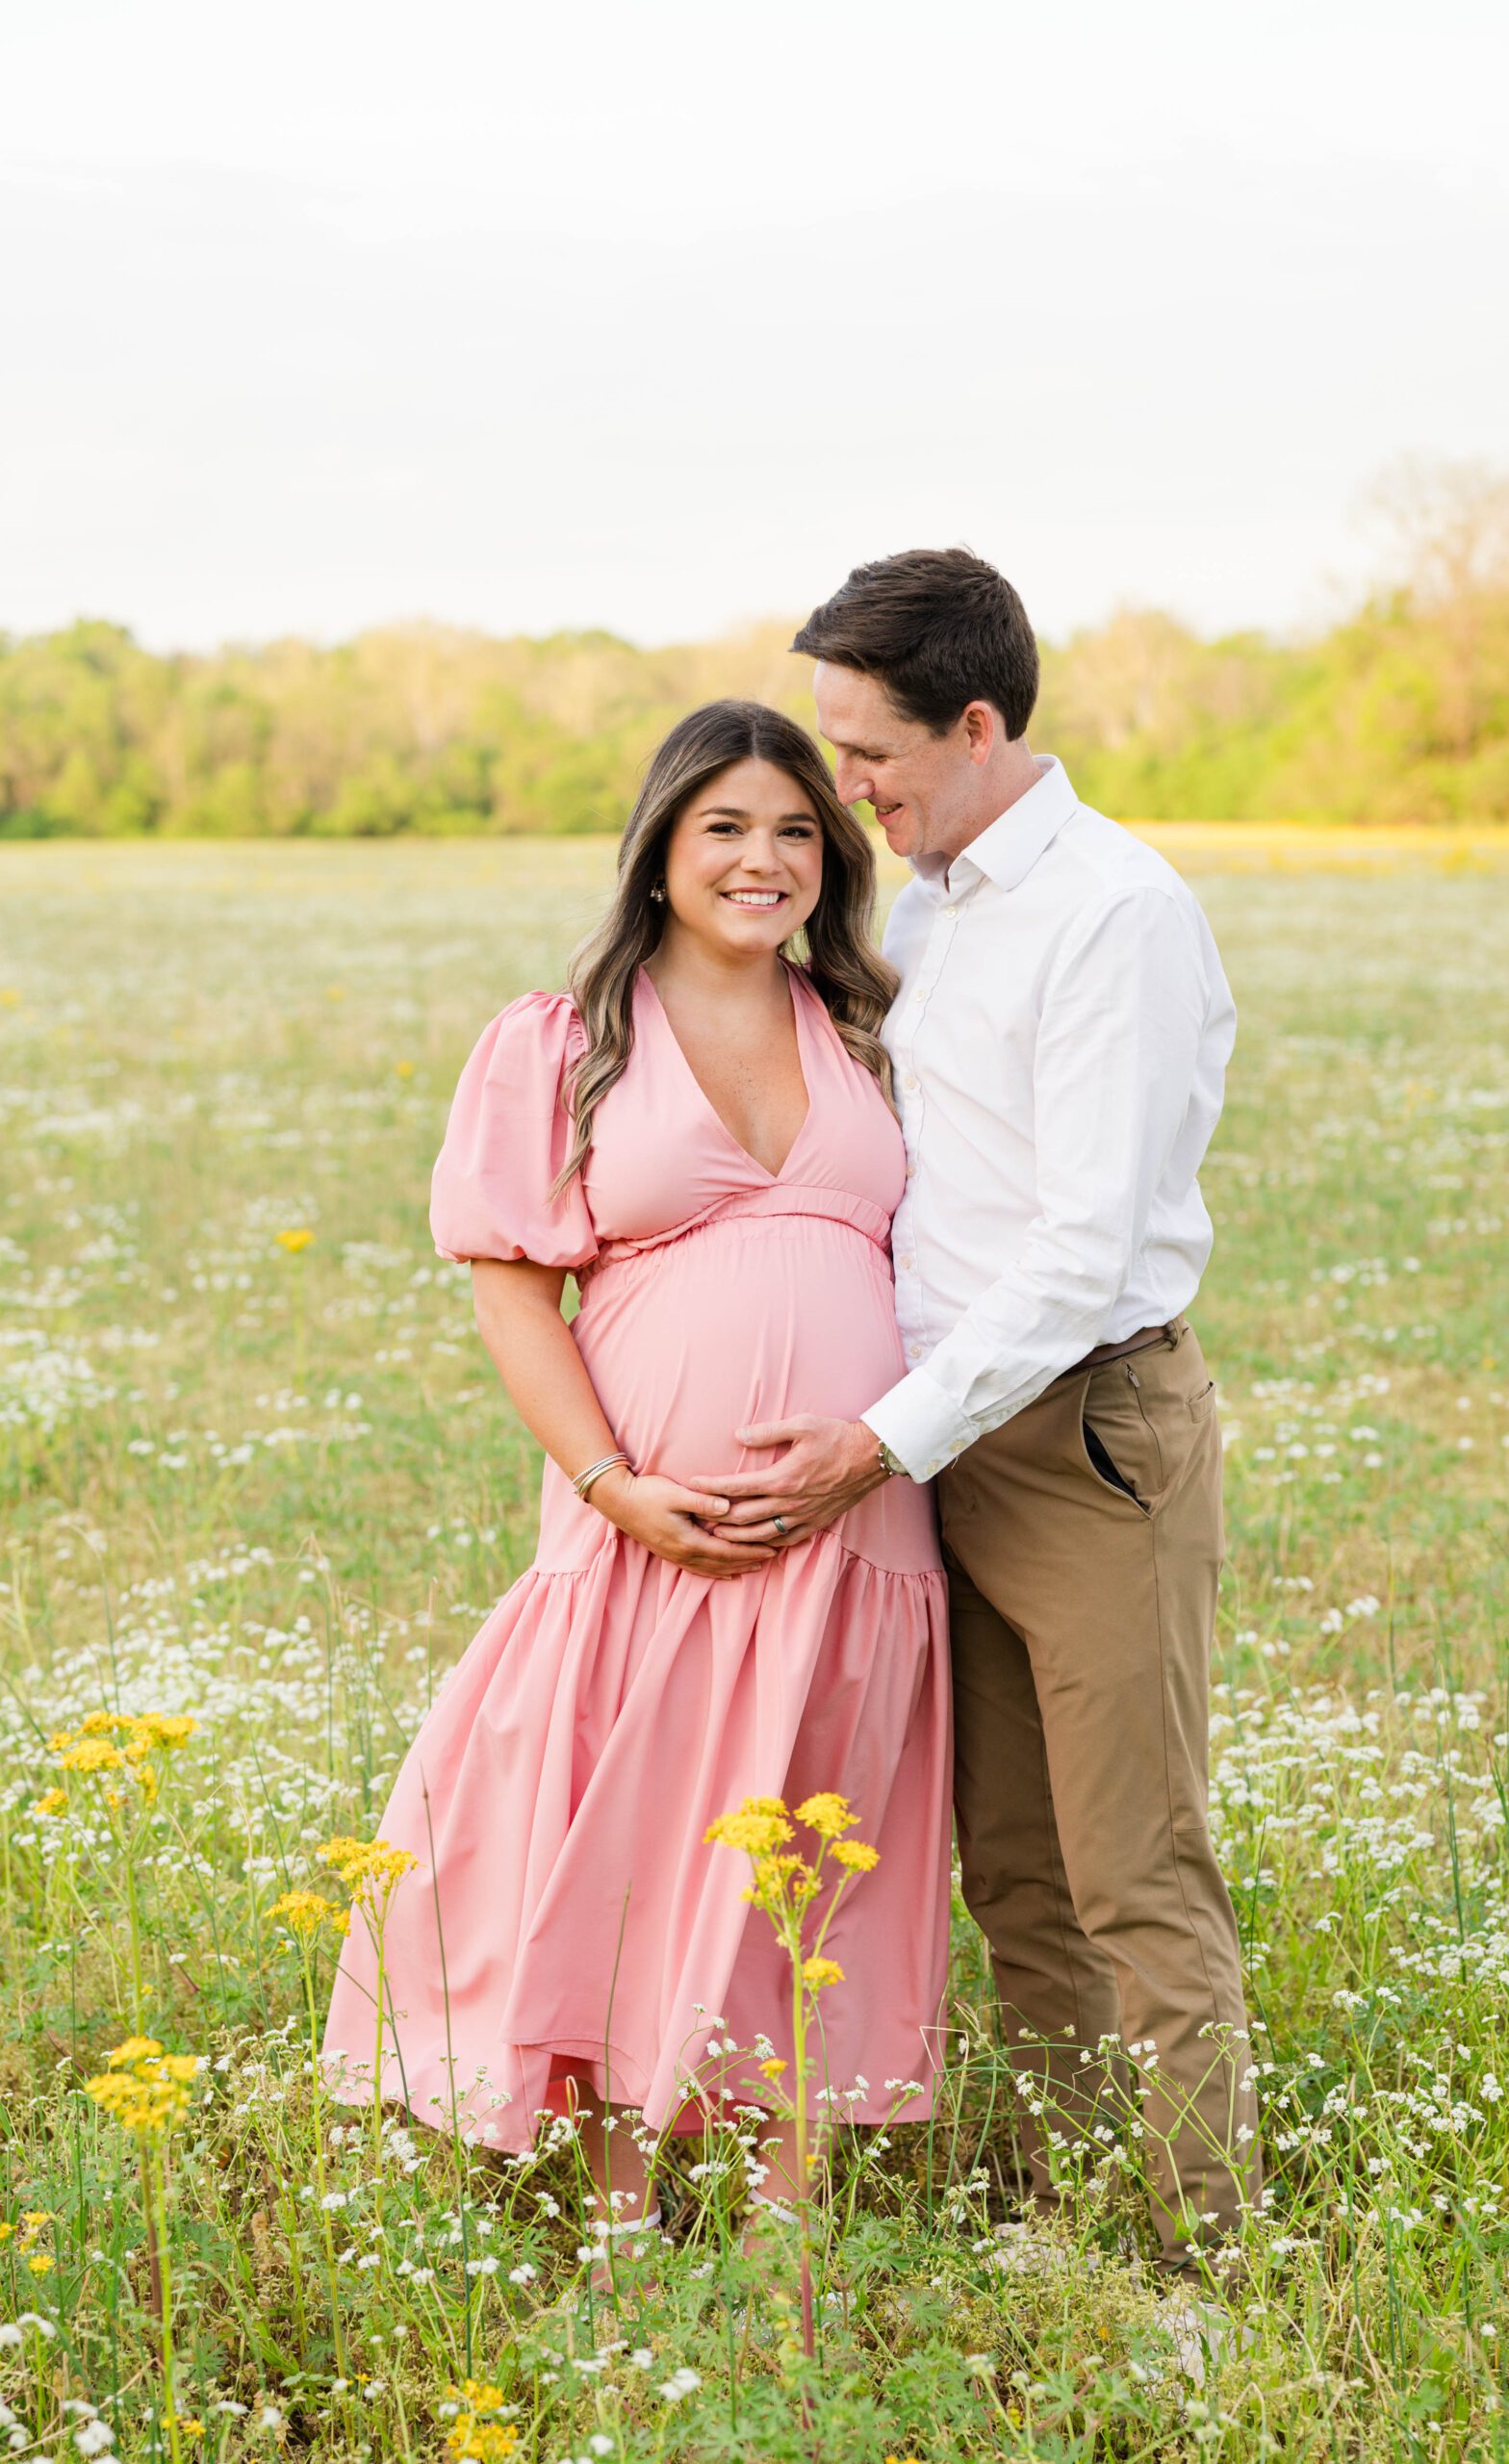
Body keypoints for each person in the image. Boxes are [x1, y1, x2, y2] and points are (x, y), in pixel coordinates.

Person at [320, 700, 951, 2274]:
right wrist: (612, 1484)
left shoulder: (871, 1025)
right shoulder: (566, 1037)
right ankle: (618, 2222)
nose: (766, 859)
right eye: (726, 827)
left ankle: (786, 2227)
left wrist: (871, 1441)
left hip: (856, 1521)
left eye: (799, 829)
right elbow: (510, 1292)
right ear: (662, 849)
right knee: (627, 1831)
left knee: (816, 1840)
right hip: (646, 1527)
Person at [701, 550, 1264, 2288]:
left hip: (1083, 1434)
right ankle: (1076, 2212)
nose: (843, 791)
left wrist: (878, 1437)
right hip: (942, 1440)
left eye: (868, 755)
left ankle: (1198, 2267)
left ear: (977, 721)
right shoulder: (935, 896)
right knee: (1014, 1868)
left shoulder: (1116, 912)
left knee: (1134, 1870)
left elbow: (1085, 1246)